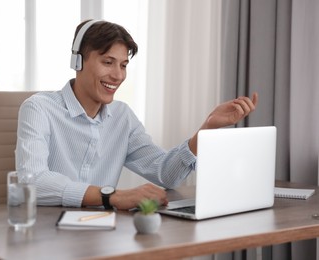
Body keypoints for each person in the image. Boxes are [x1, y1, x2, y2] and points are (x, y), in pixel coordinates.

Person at [15, 19, 258, 211]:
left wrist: (206, 130)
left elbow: (165, 174)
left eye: (123, 65)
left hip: (100, 233)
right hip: (44, 234)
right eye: (108, 62)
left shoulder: (122, 117)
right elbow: (32, 182)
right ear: (78, 62)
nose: (118, 76)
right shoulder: (38, 109)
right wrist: (113, 196)